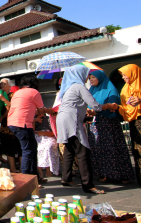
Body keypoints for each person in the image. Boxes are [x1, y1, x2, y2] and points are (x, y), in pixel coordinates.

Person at [56, 65, 115, 194]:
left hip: (62, 119)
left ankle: (66, 178)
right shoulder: (79, 86)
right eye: (86, 75)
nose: (87, 78)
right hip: (71, 120)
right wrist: (108, 106)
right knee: (83, 152)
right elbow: (96, 105)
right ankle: (88, 185)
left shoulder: (68, 88)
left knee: (70, 149)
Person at [87, 70, 134, 184]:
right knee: (99, 149)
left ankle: (123, 174)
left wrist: (98, 111)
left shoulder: (111, 90)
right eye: (90, 78)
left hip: (109, 123)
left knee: (114, 148)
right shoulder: (91, 91)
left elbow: (113, 107)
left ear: (101, 78)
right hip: (95, 124)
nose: (91, 80)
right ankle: (104, 173)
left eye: (93, 77)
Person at [111, 64, 141, 188]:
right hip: (135, 124)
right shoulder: (125, 90)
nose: (123, 78)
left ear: (133, 74)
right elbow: (126, 109)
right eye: (122, 75)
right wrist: (117, 107)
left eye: (125, 75)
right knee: (139, 151)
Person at [8, 75, 55, 180]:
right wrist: (49, 111)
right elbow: (41, 111)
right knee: (28, 150)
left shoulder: (18, 93)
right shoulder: (34, 92)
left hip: (12, 122)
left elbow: (28, 110)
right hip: (23, 124)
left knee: (32, 148)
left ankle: (35, 177)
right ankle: (25, 179)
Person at [0, 81, 22, 173]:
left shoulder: (13, 95)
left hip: (15, 123)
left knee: (19, 146)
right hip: (5, 126)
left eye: (4, 83)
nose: (2, 85)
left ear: (9, 86)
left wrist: (3, 117)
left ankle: (21, 168)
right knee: (9, 147)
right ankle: (12, 168)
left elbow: (12, 108)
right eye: (1, 83)